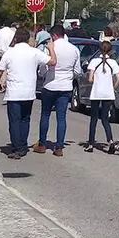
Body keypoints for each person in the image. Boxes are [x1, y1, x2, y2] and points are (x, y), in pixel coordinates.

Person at [0, 29, 54, 160]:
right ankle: (22, 144)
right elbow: (51, 61)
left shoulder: (9, 53)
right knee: (25, 119)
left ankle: (17, 147)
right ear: (28, 39)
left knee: (14, 121)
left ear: (15, 38)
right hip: (28, 92)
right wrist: (51, 48)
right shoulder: (34, 52)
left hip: (14, 92)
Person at [33, 25, 81, 157]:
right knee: (61, 117)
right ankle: (59, 146)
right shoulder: (74, 49)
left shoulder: (50, 48)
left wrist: (43, 74)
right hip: (65, 87)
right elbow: (77, 71)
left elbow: (43, 68)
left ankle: (42, 144)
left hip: (50, 85)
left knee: (45, 115)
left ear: (53, 35)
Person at [84, 40, 119, 153]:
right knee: (105, 118)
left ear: (99, 49)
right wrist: (112, 87)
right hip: (108, 93)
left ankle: (90, 144)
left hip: (96, 93)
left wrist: (97, 81)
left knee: (94, 118)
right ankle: (110, 140)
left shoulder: (94, 61)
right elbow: (118, 79)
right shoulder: (113, 62)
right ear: (110, 50)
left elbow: (90, 78)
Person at [0, 22, 17, 92]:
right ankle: (3, 84)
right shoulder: (12, 33)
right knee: (6, 69)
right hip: (9, 52)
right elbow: (14, 44)